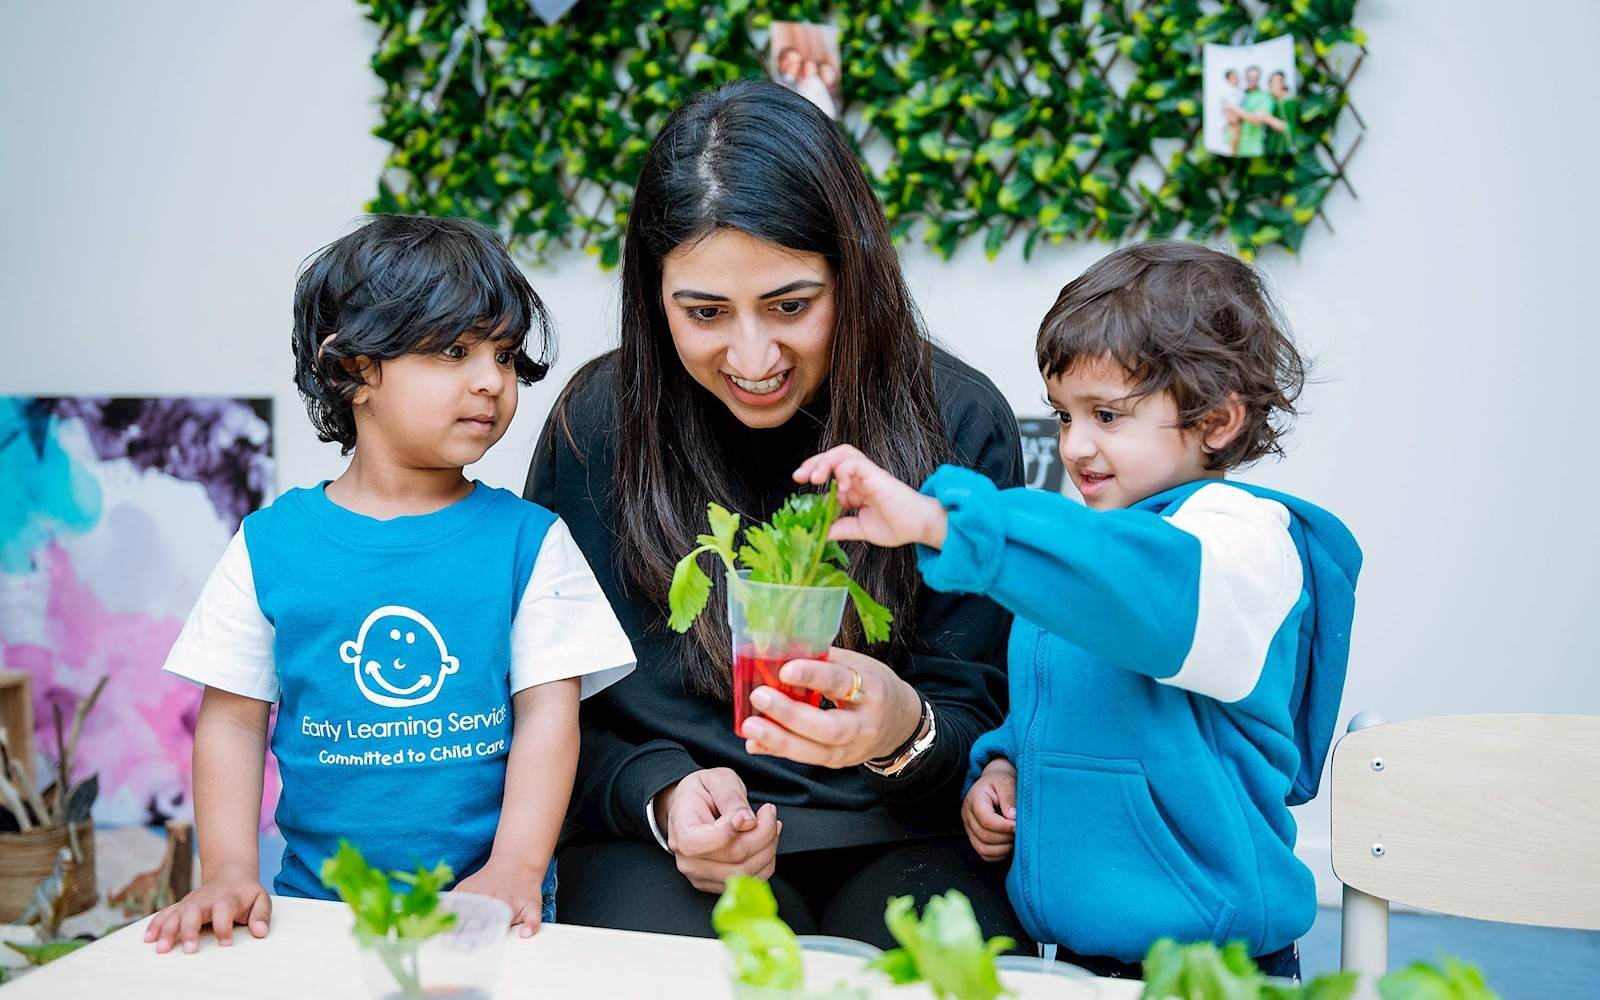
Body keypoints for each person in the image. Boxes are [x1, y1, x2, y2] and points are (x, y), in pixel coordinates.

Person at [525, 80, 1028, 949]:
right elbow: (556, 700)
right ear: (653, 294)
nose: (753, 356)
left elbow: (983, 715)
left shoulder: (957, 418)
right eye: (704, 313)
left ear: (853, 276)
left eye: (792, 306)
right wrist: (662, 797)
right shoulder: (596, 425)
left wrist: (903, 728)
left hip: (907, 832)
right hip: (660, 844)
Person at [793, 241, 1361, 980]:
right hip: (1080, 953)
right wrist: (1004, 767)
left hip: (1214, 968)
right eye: (1064, 415)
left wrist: (942, 523)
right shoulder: (1083, 553)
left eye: (1107, 415)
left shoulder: (1241, 544)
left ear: (1218, 421)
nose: (1075, 446)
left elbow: (1145, 596)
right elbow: (1067, 698)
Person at [148, 215, 635, 954]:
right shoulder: (269, 547)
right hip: (318, 914)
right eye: (455, 350)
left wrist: (515, 867)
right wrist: (228, 871)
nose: (491, 380)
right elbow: (233, 722)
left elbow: (547, 715)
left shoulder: (531, 544)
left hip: (492, 914)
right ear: (352, 370)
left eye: (504, 355)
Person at [1235, 66, 1285, 157]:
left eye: (1255, 78)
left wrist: (1232, 108)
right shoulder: (1244, 95)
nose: (1252, 80)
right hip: (1237, 146)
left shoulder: (1265, 97)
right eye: (1249, 77)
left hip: (1253, 148)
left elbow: (1258, 120)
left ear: (1259, 78)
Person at [1265, 70, 1299, 156]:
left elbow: (1291, 127)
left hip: (1285, 148)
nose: (1274, 85)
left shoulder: (1289, 101)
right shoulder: (1272, 101)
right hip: (1272, 147)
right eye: (1272, 82)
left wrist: (1269, 119)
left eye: (1280, 81)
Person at [1219, 67, 1244, 155]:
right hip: (1231, 114)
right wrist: (1228, 116)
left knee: (1236, 131)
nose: (1236, 79)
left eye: (1236, 76)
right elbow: (1225, 105)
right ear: (1228, 79)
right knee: (1236, 130)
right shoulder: (1227, 90)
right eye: (1233, 77)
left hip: (1237, 114)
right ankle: (1233, 151)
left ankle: (1233, 150)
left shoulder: (1239, 90)